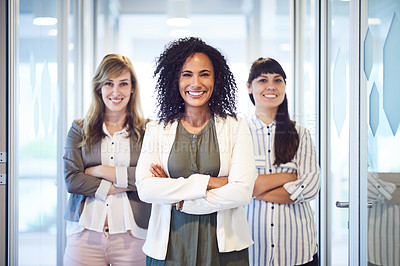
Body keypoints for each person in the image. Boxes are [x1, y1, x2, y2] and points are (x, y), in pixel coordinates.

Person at [135, 37, 256, 265]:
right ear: (175, 79)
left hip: (225, 251)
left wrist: (180, 201)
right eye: (187, 74)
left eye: (205, 74)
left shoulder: (237, 127)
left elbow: (241, 192)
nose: (196, 83)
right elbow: (147, 189)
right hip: (169, 249)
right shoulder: (157, 129)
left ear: (216, 79)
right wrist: (211, 182)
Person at [63, 54, 151, 266]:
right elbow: (72, 180)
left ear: (132, 88)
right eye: (109, 84)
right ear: (99, 88)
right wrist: (117, 187)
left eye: (123, 84)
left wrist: (99, 170)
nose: (115, 92)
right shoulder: (79, 129)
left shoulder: (148, 130)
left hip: (133, 237)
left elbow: (150, 177)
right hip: (84, 235)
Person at [245, 57, 320, 266]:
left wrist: (252, 189)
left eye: (278, 80)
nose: (271, 86)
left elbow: (310, 188)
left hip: (298, 250)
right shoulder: (239, 134)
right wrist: (288, 178)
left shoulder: (300, 134)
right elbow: (232, 184)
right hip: (252, 252)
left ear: (285, 86)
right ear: (249, 87)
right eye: (263, 80)